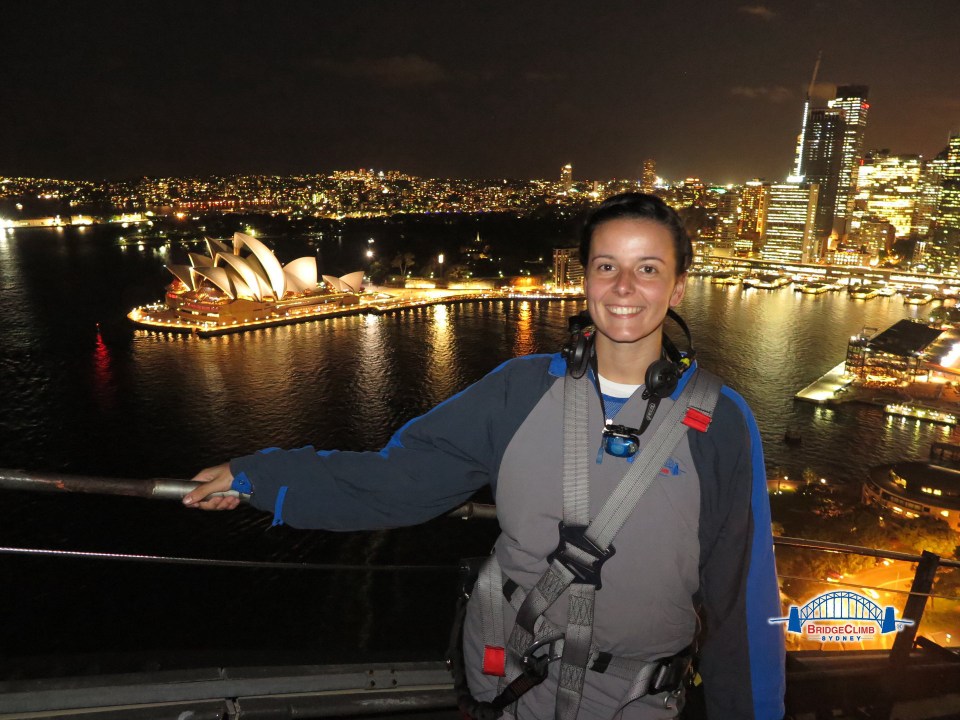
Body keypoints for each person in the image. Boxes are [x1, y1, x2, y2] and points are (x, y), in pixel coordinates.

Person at [184, 192, 786, 720]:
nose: (624, 288)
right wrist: (262, 476)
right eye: (608, 266)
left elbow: (743, 594)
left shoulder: (721, 421)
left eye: (647, 269)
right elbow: (402, 479)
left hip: (633, 700)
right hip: (512, 684)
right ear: (586, 278)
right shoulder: (519, 390)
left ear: (678, 285)